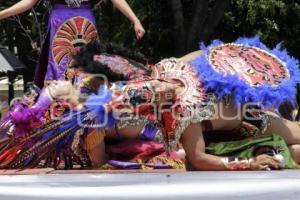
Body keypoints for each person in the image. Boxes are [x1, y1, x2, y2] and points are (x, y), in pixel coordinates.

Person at [0, 39, 299, 171]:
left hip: (242, 108)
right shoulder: (178, 104)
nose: (50, 84)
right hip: (242, 120)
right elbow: (198, 159)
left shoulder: (167, 73)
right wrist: (248, 164)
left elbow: (200, 56)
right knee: (293, 143)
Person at [0, 0, 145, 88]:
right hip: (60, 24)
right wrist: (3, 14)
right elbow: (29, 1)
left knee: (89, 69)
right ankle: (58, 113)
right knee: (59, 68)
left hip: (85, 22)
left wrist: (135, 20)